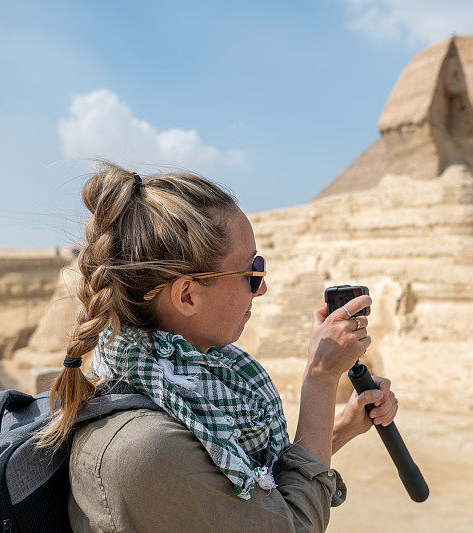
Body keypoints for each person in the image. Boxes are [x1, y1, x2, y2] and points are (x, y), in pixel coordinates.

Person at [35, 163, 399, 532]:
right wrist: (321, 378)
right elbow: (291, 524)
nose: (262, 288)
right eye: (252, 272)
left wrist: (339, 427)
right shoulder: (147, 445)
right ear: (188, 296)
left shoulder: (181, 381)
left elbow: (250, 491)